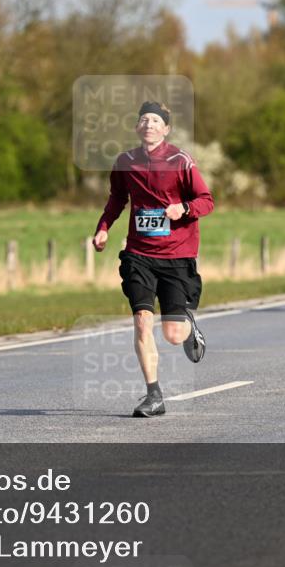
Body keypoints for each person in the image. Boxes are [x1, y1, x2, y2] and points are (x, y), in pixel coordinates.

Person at [93, 101, 214, 418]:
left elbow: (206, 200)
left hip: (177, 255)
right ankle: (154, 395)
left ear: (166, 129)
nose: (149, 124)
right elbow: (117, 199)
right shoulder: (126, 162)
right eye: (143, 119)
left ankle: (189, 327)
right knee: (142, 321)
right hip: (139, 255)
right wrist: (103, 228)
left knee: (172, 335)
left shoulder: (181, 161)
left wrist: (184, 209)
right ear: (136, 127)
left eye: (155, 120)